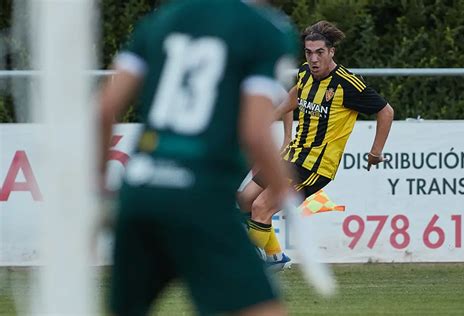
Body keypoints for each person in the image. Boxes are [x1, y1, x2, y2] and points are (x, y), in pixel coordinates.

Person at [98, 0, 299, 315]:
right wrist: (285, 193)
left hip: (140, 194)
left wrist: (97, 192)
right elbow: (256, 133)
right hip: (202, 197)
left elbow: (103, 110)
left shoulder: (163, 18)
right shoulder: (266, 30)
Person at [238, 20, 394, 270]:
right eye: (309, 52)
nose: (313, 59)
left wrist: (375, 153)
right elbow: (296, 95)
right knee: (245, 199)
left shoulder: (347, 85)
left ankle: (246, 269)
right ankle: (275, 257)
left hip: (314, 166)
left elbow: (386, 111)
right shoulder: (305, 73)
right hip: (293, 155)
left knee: (260, 206)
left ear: (331, 51)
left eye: (319, 52)